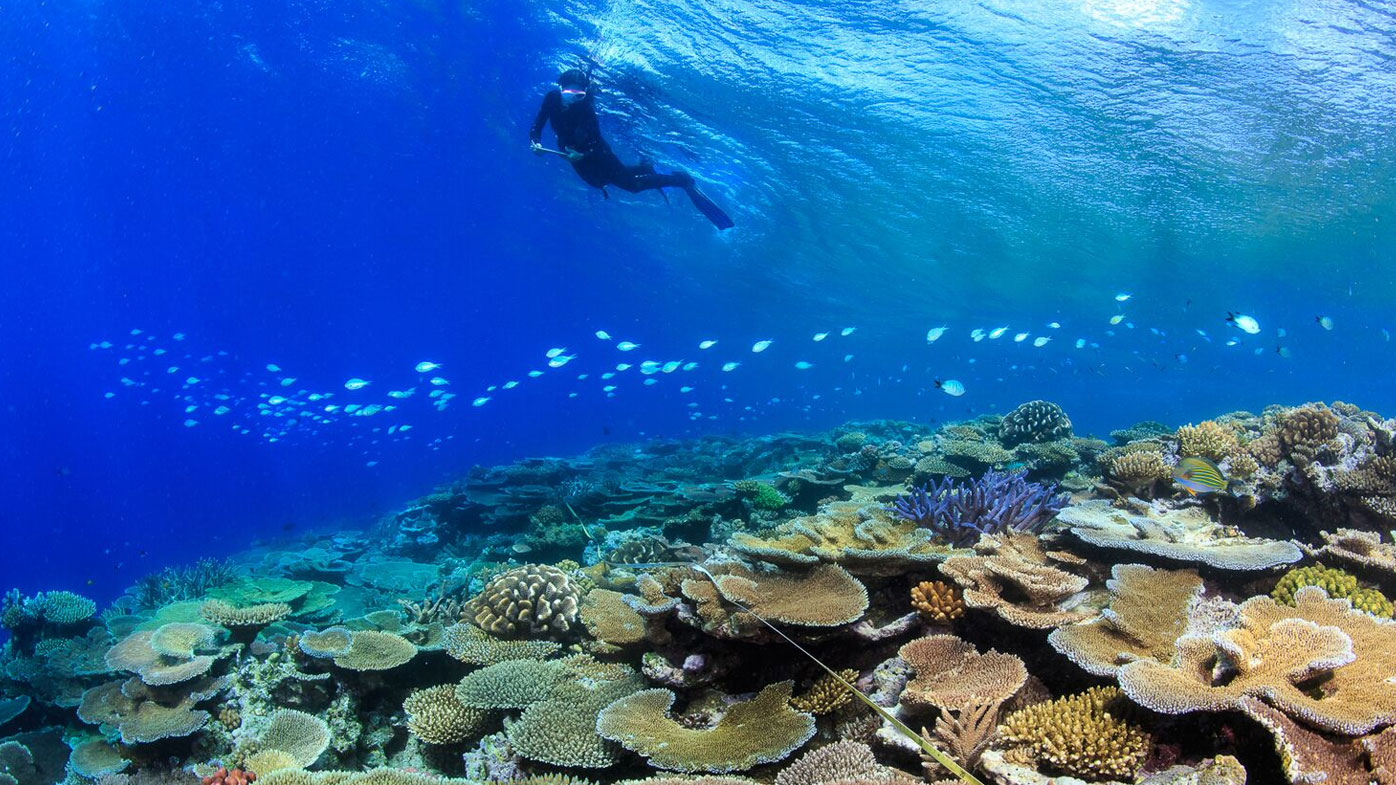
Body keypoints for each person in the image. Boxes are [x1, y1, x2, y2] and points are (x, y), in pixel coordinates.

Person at [530, 68, 733, 229]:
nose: (573, 98)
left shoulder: (586, 110)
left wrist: (582, 154)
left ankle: (682, 180)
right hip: (574, 155)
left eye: (579, 94)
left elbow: (595, 140)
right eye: (568, 92)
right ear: (560, 88)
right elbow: (538, 123)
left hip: (599, 155)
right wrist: (535, 142)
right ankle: (645, 167)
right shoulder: (551, 99)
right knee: (599, 181)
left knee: (631, 187)